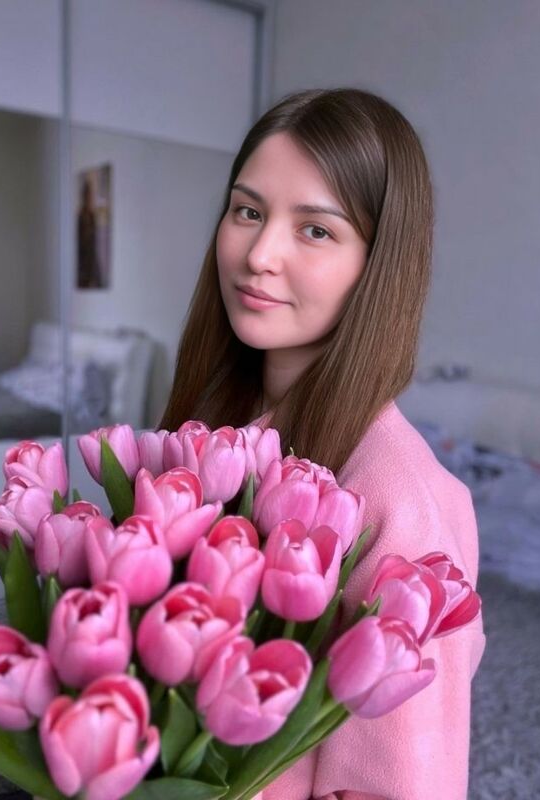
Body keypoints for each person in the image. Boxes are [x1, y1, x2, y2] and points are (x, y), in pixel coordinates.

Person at [159, 88, 486, 800]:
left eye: (315, 230)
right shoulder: (215, 429)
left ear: (378, 265)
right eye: (248, 212)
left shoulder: (403, 503)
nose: (259, 255)